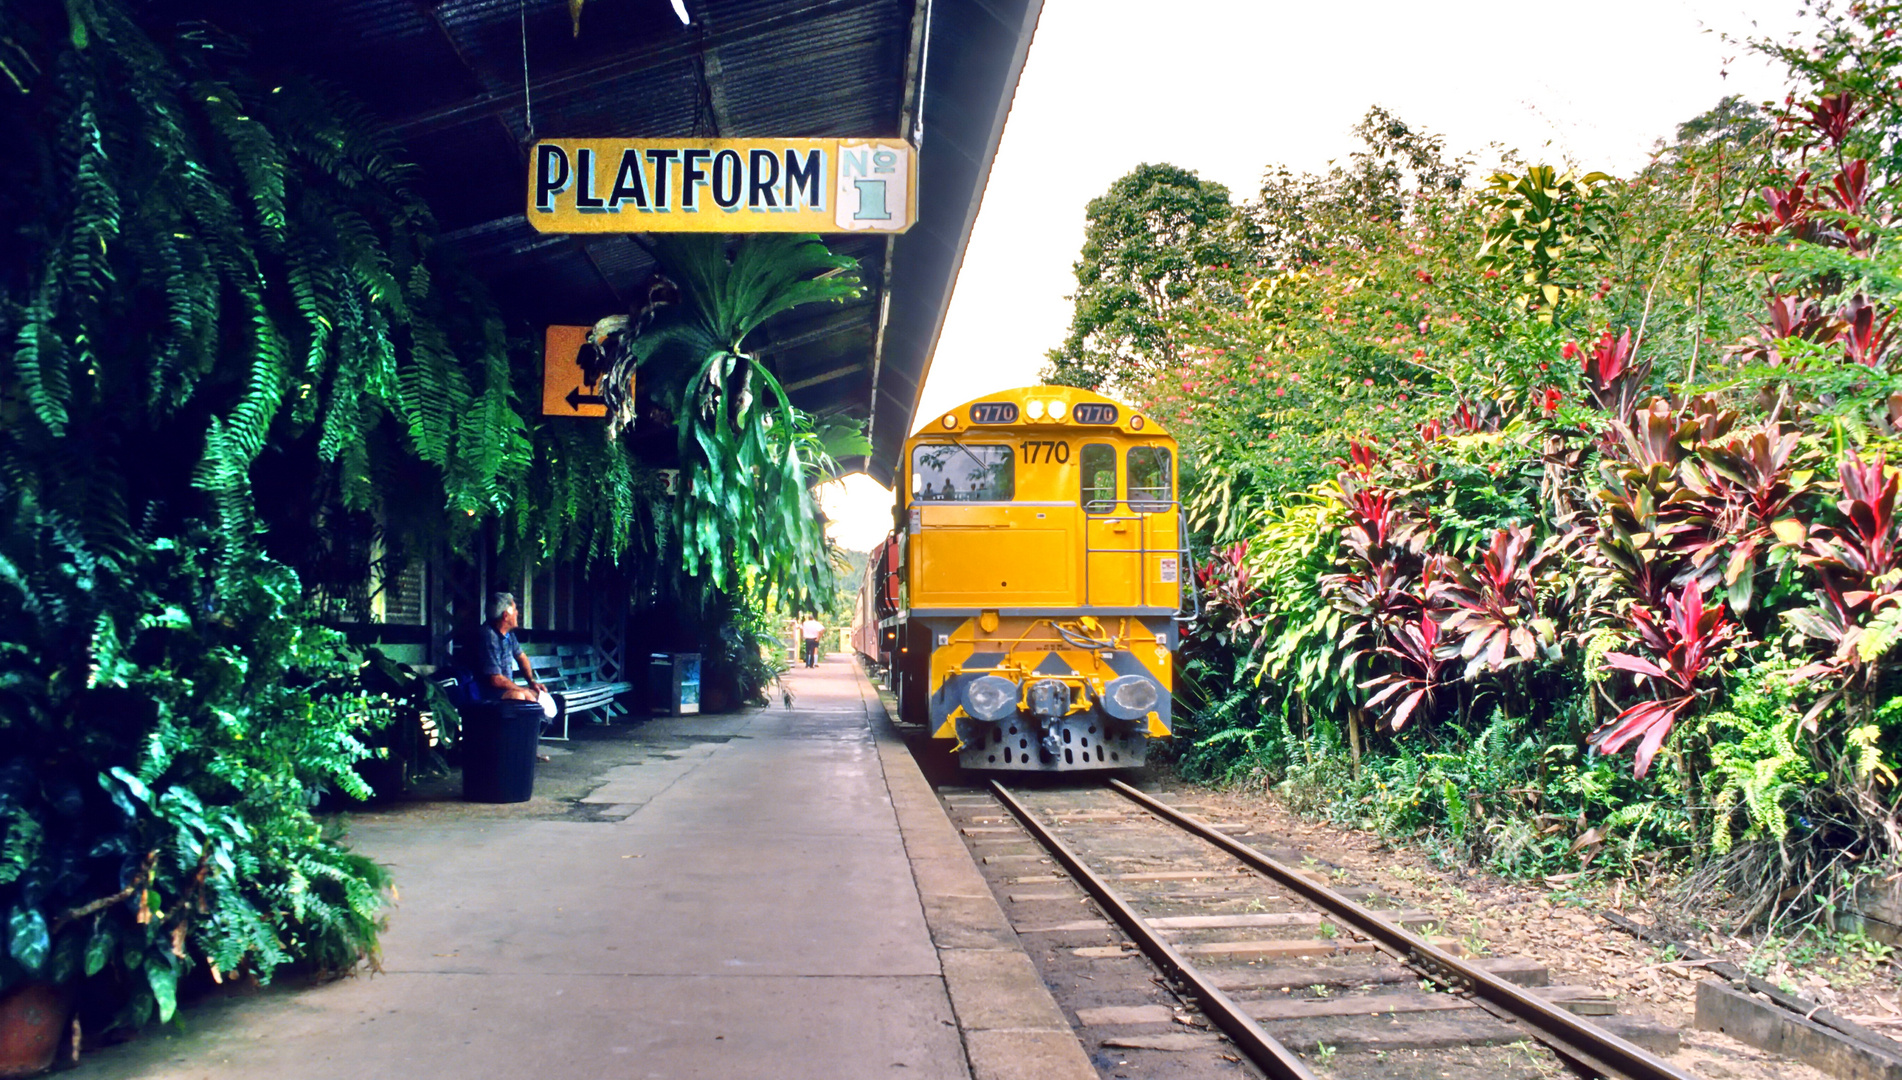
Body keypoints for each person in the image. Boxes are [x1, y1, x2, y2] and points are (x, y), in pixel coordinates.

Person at [470, 591, 552, 761]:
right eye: (515, 610)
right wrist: (523, 689)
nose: (518, 613)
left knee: (538, 695)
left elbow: (521, 657)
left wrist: (532, 683)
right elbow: (495, 679)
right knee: (520, 696)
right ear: (506, 615)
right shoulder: (488, 636)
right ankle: (516, 749)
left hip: (500, 689)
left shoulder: (509, 635)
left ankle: (527, 747)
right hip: (486, 692)